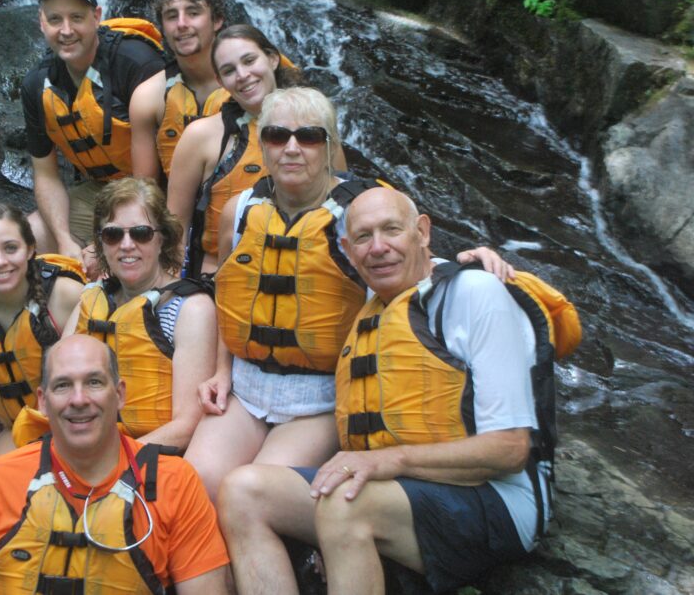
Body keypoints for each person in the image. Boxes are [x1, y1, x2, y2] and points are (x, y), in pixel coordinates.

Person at [218, 187, 568, 594]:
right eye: (363, 237)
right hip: (399, 493)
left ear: (422, 231)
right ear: (348, 250)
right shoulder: (373, 304)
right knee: (242, 491)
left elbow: (509, 449)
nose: (378, 247)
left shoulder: (476, 293)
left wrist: (391, 461)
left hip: (498, 500)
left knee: (343, 507)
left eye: (391, 230)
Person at [184, 88, 511, 501]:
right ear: (261, 144)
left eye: (308, 136)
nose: (291, 148)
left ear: (330, 145)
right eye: (277, 135)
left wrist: (471, 261)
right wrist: (220, 371)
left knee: (254, 491)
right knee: (197, 482)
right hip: (246, 388)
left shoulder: (357, 214)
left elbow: (414, 267)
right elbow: (232, 296)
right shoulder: (238, 211)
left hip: (321, 399)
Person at [0, 334, 230, 595]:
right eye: (63, 385)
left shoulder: (174, 482)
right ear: (42, 402)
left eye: (94, 382)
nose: (78, 400)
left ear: (119, 395)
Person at [166, 25, 346, 277]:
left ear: (272, 59)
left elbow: (343, 206)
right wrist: (172, 294)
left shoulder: (317, 132)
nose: (243, 75)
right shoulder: (200, 137)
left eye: (249, 60)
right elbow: (176, 228)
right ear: (220, 81)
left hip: (308, 274)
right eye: (229, 70)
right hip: (219, 277)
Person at [21, 0, 165, 264]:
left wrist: (103, 245)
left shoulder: (135, 62)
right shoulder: (37, 85)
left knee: (111, 256)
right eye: (55, 19)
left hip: (158, 190)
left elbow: (146, 183)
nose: (66, 30)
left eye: (76, 17)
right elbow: (46, 174)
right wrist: (64, 241)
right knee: (29, 236)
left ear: (96, 16)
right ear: (41, 22)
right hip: (101, 190)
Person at [64, 178, 216, 451]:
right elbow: (58, 389)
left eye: (141, 233)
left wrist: (113, 461)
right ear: (101, 243)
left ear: (162, 239)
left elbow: (187, 426)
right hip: (84, 448)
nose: (126, 244)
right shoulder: (89, 298)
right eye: (112, 235)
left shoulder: (191, 309)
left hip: (154, 458)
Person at [0, 202, 84, 457]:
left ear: (30, 249)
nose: (0, 261)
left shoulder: (67, 296)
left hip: (79, 426)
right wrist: (0, 442)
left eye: (11, 248)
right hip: (16, 435)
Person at [129, 0, 230, 181]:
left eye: (193, 13)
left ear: (217, 20)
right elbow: (145, 187)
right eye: (171, 16)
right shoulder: (147, 97)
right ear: (163, 28)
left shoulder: (251, 81)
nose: (181, 24)